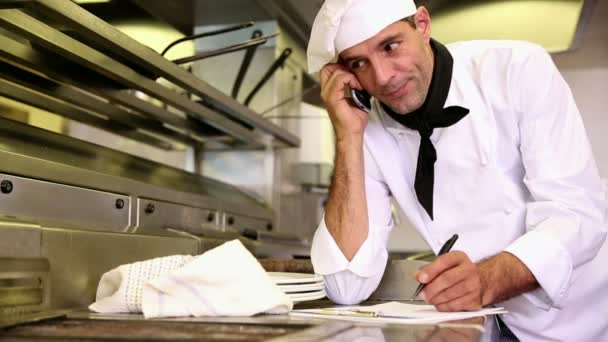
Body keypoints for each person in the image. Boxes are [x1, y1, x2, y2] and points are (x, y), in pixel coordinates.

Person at [306, 0, 608, 341]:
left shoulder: (516, 68)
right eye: (360, 63)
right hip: (479, 324)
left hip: (574, 323)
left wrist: (487, 280)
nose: (383, 77)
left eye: (390, 46)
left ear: (422, 25)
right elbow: (346, 286)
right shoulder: (367, 128)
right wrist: (347, 136)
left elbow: (577, 214)